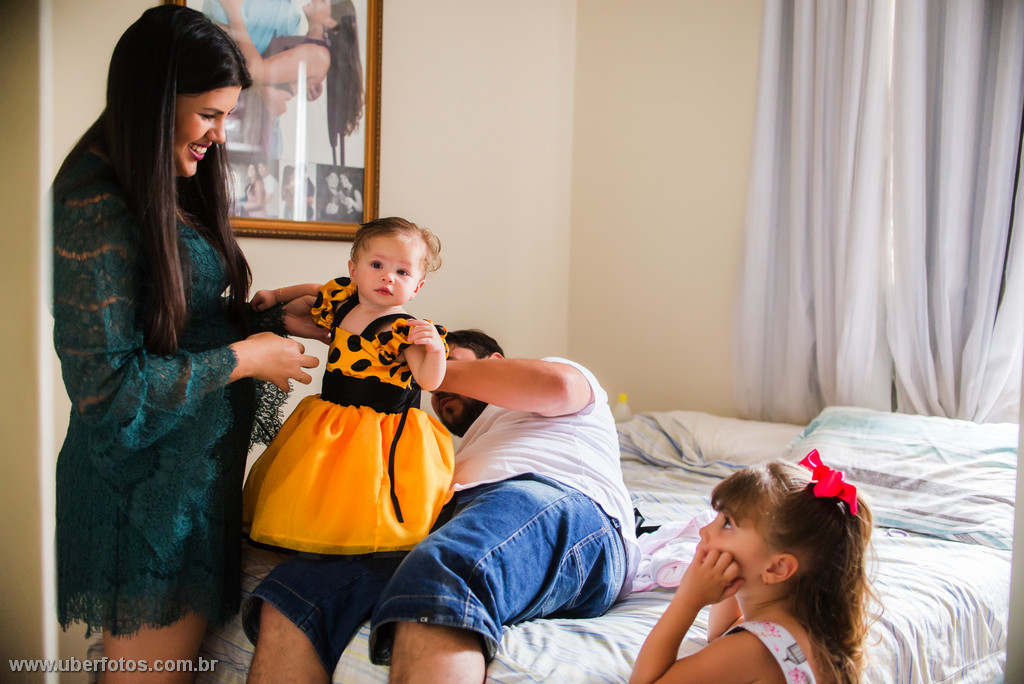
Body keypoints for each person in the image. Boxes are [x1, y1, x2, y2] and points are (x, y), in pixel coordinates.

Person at [51, 5, 325, 680]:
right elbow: (109, 391)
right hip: (143, 499)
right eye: (209, 114)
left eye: (228, 115)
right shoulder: (95, 205)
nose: (219, 135)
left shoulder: (169, 182)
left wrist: (271, 315)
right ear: (155, 99)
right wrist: (246, 358)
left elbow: (180, 317)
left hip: (189, 484)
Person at [242, 329, 640, 683]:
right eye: (432, 384)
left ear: (495, 363)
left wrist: (419, 366)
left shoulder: (557, 380)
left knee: (445, 568)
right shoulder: (455, 453)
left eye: (448, 361)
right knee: (298, 587)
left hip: (560, 505)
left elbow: (558, 387)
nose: (435, 387)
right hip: (467, 519)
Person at [242, 217, 453, 555]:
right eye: (377, 265)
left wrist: (435, 349)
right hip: (330, 416)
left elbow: (429, 380)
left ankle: (353, 547)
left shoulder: (405, 330)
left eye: (403, 272)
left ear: (417, 287)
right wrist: (275, 294)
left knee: (361, 493)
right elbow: (313, 291)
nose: (388, 276)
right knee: (314, 484)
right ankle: (311, 534)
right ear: (354, 271)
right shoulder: (343, 301)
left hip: (379, 431)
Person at [630, 453, 875, 684]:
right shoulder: (803, 626)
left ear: (778, 568)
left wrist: (688, 599)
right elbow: (720, 634)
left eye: (727, 524)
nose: (705, 531)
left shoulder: (753, 649)